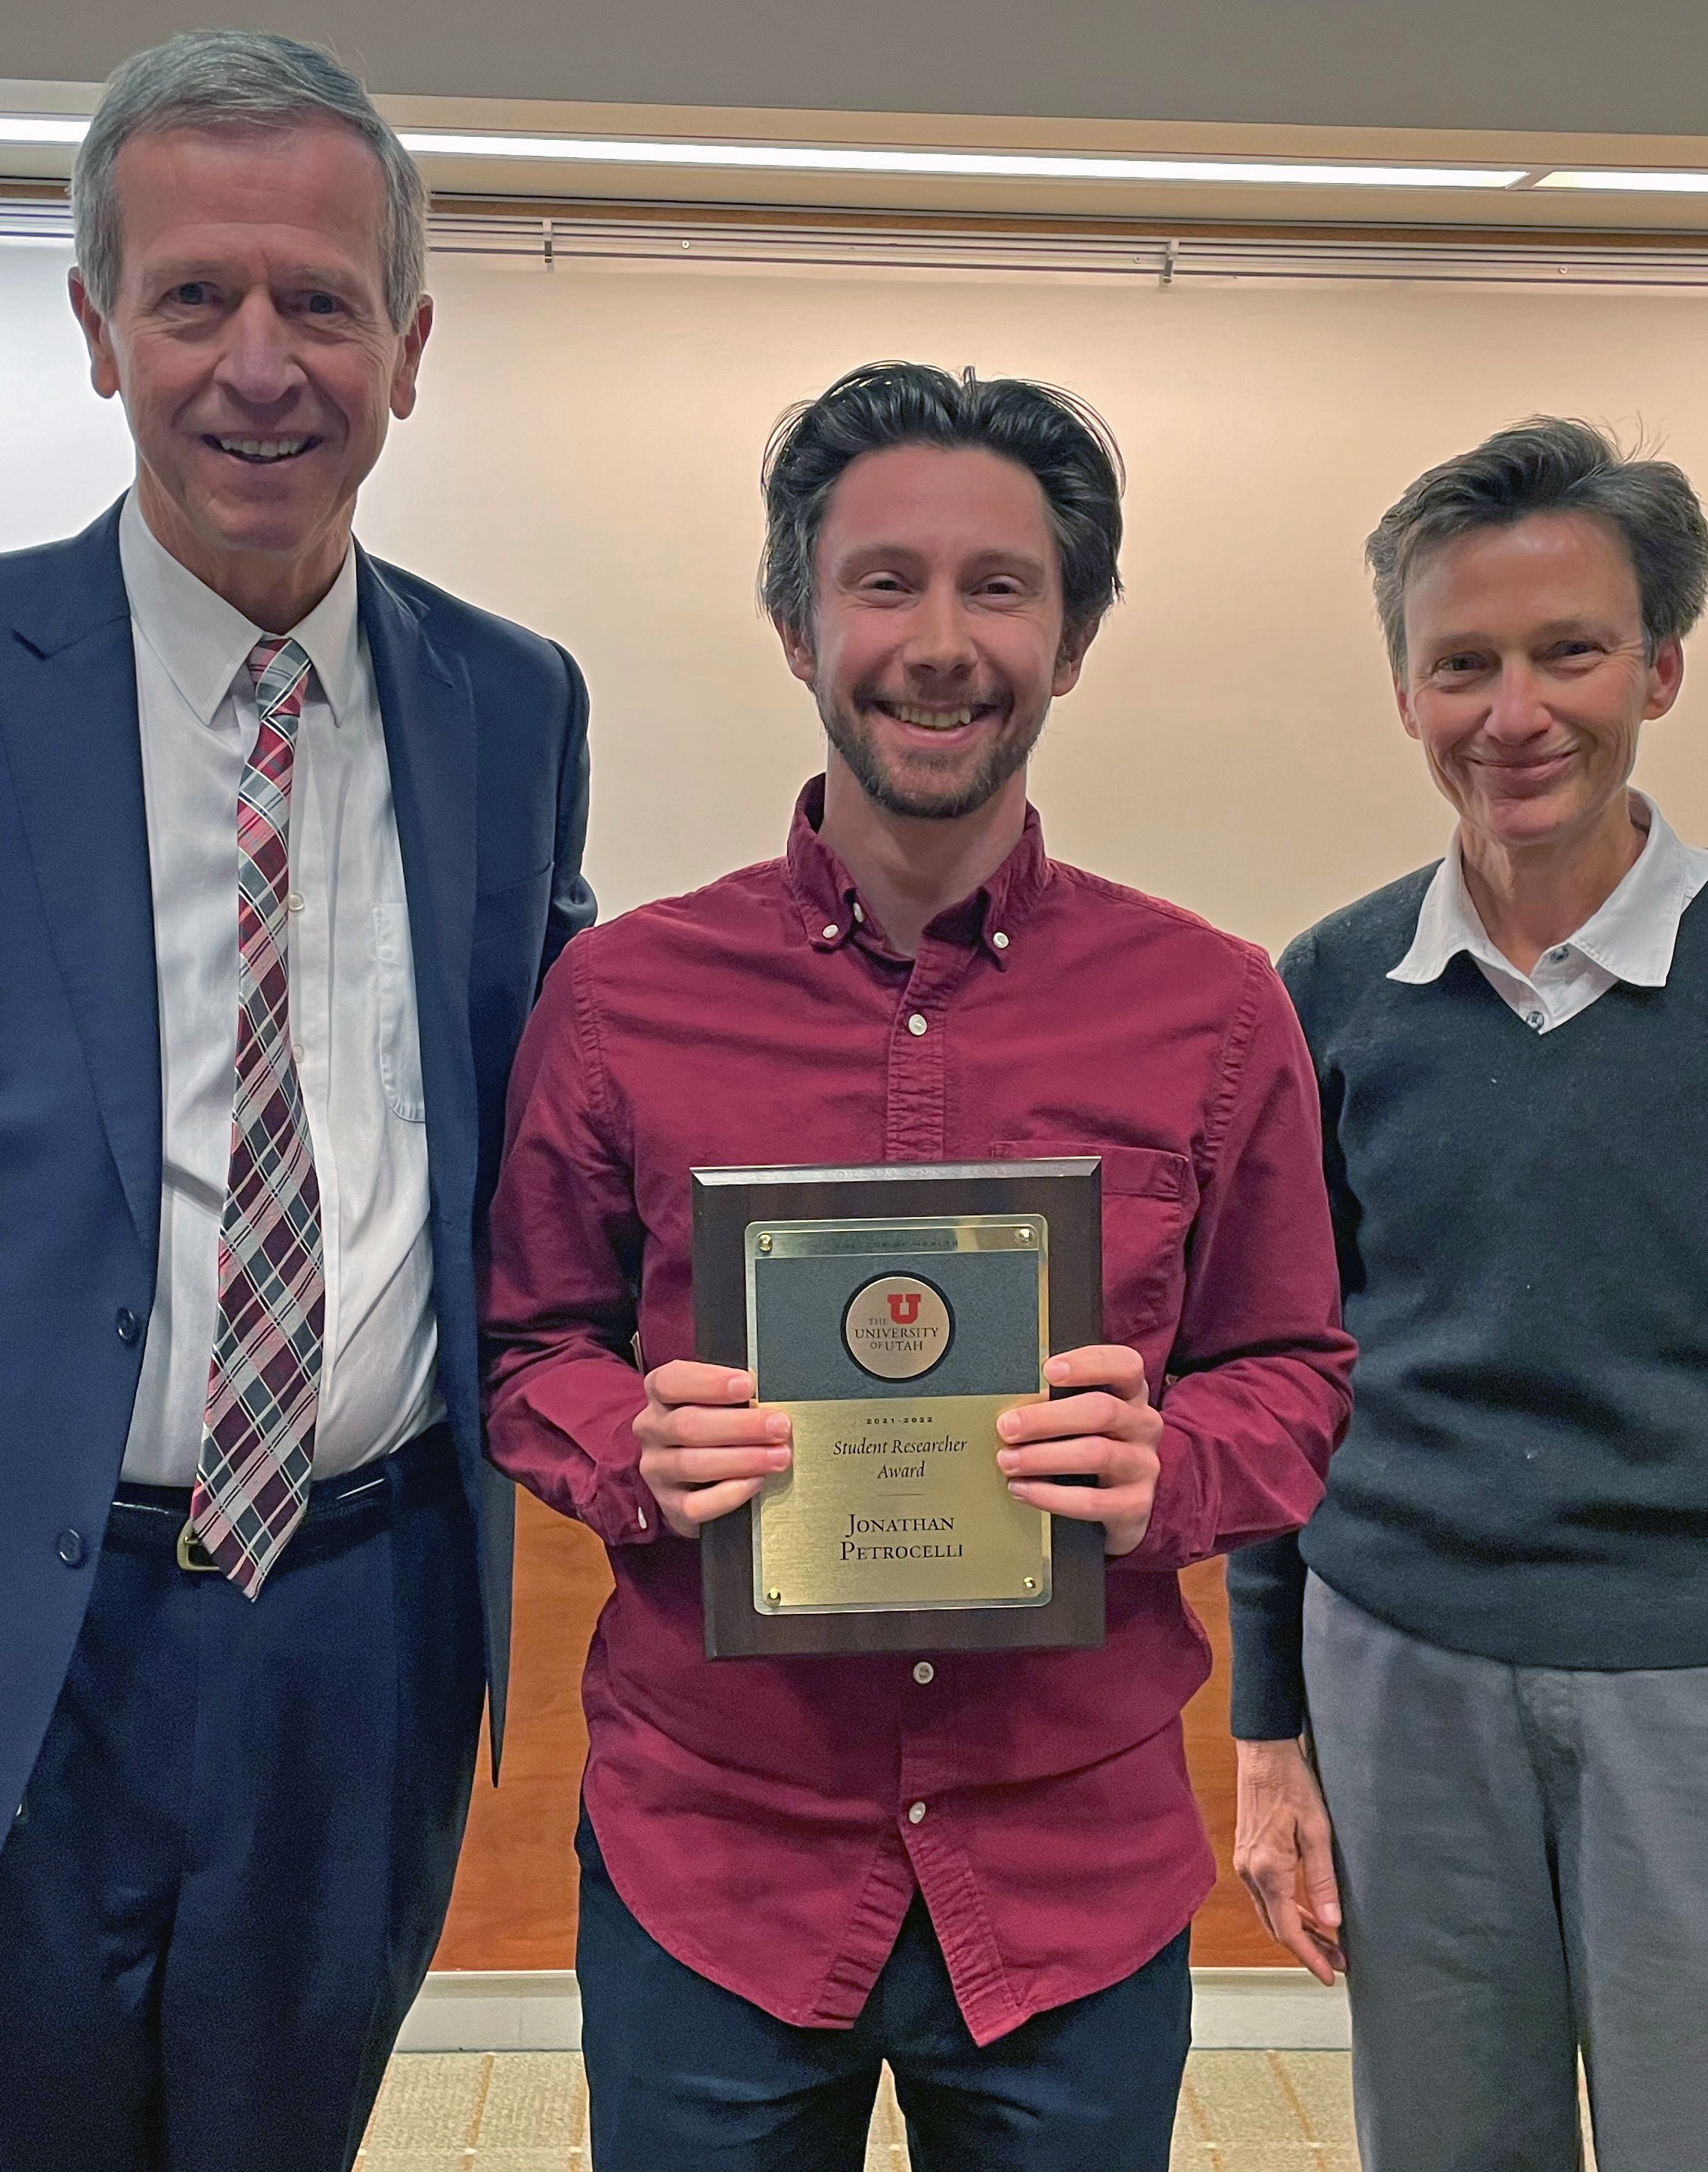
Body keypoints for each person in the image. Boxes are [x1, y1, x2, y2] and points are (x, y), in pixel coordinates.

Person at [0, 30, 593, 2170]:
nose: (259, 364)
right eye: (193, 298)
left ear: (408, 348)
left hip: (357, 1637)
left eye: (320, 304)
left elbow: (543, 1137)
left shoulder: (507, 705)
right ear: (97, 330)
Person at [482, 361, 1354, 2171]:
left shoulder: (1209, 1006)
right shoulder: (623, 994)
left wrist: (1166, 1469)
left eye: (998, 585)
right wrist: (628, 1449)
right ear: (796, 620)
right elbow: (529, 1340)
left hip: (1068, 1864)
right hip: (712, 1850)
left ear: (1075, 631)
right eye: (883, 582)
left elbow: (1292, 1368)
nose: (937, 641)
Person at [1227, 417, 1708, 2172]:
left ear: (1660, 663)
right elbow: (1280, 1377)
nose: (1515, 711)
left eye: (1567, 651)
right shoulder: (1331, 985)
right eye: (1459, 663)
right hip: (1396, 1682)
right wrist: (1271, 1728)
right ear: (1404, 692)